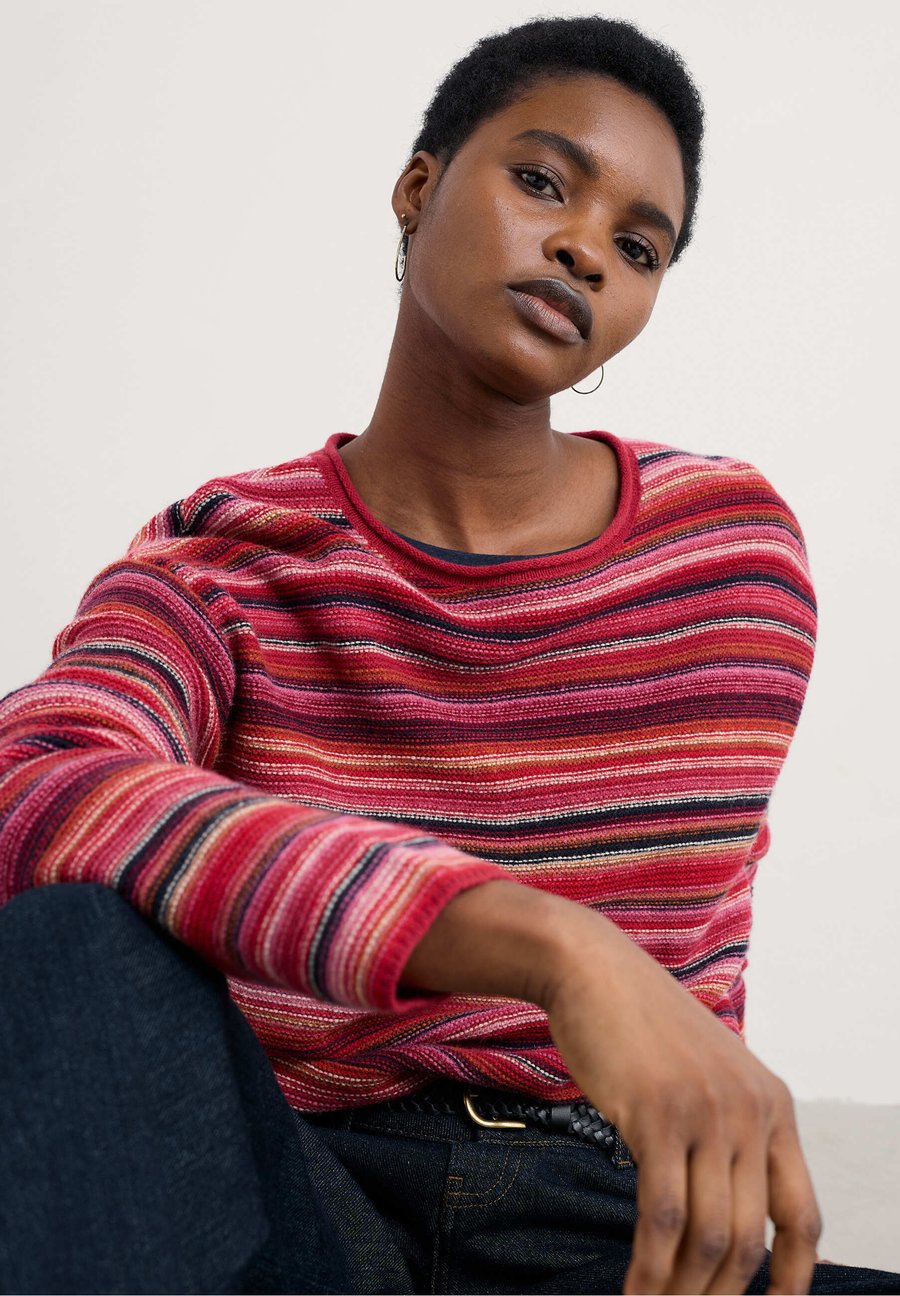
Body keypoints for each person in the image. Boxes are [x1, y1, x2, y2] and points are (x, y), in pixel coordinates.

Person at [0, 14, 897, 1296]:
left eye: (639, 247)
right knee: (70, 946)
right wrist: (550, 945)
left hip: (606, 1225)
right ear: (417, 187)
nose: (585, 248)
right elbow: (36, 782)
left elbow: (704, 936)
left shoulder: (727, 555)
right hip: (307, 1206)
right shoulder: (228, 558)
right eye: (542, 180)